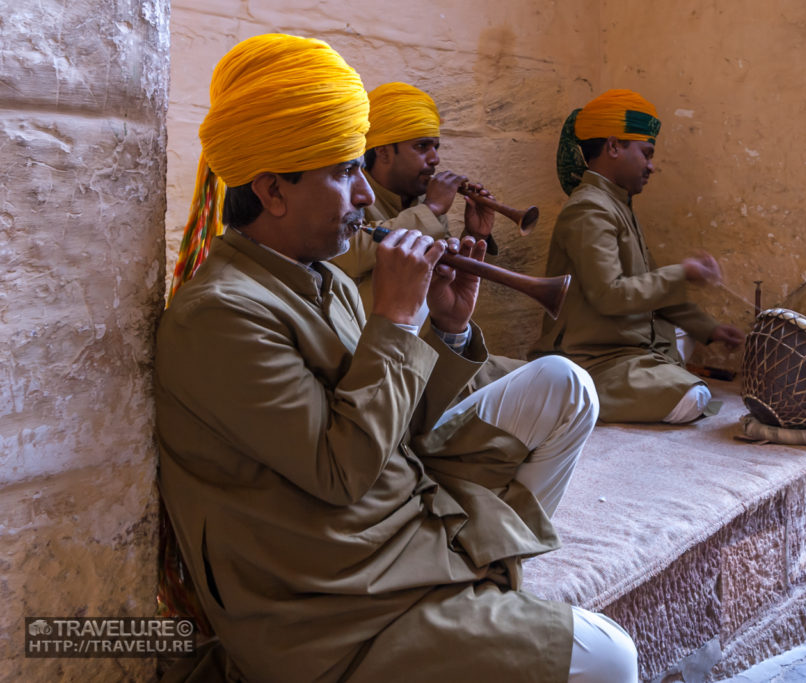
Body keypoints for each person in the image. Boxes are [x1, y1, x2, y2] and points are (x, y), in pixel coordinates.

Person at [157, 34, 637, 683]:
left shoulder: (314, 275)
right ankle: (474, 614)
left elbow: (399, 426)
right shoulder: (219, 316)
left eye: (361, 169)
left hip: (393, 533)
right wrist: (394, 317)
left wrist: (445, 328)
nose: (362, 195)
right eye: (342, 171)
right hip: (333, 605)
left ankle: (483, 602)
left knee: (564, 384)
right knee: (610, 656)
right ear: (272, 189)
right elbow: (340, 469)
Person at [531, 89, 745, 424]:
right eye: (646, 153)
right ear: (614, 147)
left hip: (628, 353)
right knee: (692, 395)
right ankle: (569, 393)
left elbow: (656, 295)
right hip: (593, 359)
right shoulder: (589, 208)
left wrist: (711, 330)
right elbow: (611, 295)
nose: (651, 166)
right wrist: (683, 272)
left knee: (683, 363)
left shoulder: (617, 205)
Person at [332, 81, 497, 314]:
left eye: (436, 147)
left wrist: (475, 234)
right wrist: (431, 209)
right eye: (422, 146)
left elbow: (447, 277)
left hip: (427, 339)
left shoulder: (421, 201)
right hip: (364, 337)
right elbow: (351, 254)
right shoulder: (350, 192)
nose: (435, 159)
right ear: (383, 151)